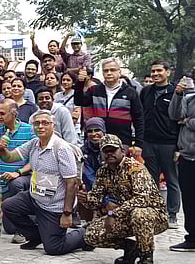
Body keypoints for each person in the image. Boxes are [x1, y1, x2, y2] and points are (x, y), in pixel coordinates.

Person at [80, 134, 169, 264]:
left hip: (153, 215)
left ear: (122, 150)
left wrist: (113, 213)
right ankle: (130, 249)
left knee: (140, 214)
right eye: (105, 151)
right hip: (124, 215)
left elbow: (142, 198)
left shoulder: (135, 168)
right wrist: (85, 199)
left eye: (113, 150)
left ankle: (146, 262)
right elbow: (96, 199)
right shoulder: (103, 172)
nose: (109, 154)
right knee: (91, 234)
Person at [0, 110, 86, 255]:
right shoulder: (34, 144)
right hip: (36, 197)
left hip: (55, 206)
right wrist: (2, 149)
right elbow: (10, 157)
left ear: (53, 126)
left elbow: (72, 183)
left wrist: (67, 213)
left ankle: (84, 234)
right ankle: (35, 236)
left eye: (45, 123)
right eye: (37, 123)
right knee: (8, 206)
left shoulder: (61, 148)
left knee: (54, 248)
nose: (41, 126)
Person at [139, 60, 180, 228]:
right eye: (153, 71)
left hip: (169, 142)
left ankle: (172, 214)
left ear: (168, 72)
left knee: (171, 179)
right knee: (151, 179)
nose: (155, 74)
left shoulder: (175, 92)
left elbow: (179, 119)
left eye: (159, 71)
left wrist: (179, 147)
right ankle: (155, 212)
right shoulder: (146, 92)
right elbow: (140, 117)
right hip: (149, 141)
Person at [74, 58, 144, 152]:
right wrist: (80, 82)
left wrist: (138, 144)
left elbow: (139, 119)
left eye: (113, 70)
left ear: (119, 72)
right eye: (106, 70)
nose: (109, 73)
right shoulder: (94, 90)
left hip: (122, 141)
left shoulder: (131, 93)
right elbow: (79, 101)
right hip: (98, 141)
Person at [0, 100, 35, 204]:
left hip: (24, 177)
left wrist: (18, 173)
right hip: (3, 181)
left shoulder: (30, 130)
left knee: (16, 186)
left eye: (2, 113)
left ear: (13, 114)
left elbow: (36, 160)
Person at [169, 75, 195, 251]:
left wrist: (188, 121)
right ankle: (192, 238)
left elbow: (185, 120)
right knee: (189, 198)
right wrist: (177, 95)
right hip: (187, 155)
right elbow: (174, 115)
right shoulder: (189, 98)